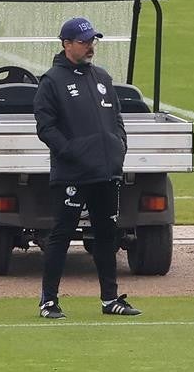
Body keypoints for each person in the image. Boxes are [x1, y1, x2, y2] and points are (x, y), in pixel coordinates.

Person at [33, 16, 141, 320]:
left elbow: (116, 120)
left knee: (107, 235)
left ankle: (110, 299)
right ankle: (49, 301)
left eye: (92, 40)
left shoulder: (102, 78)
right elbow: (45, 127)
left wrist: (119, 146)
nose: (90, 46)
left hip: (106, 173)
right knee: (62, 235)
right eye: (84, 41)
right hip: (73, 173)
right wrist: (71, 152)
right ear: (67, 44)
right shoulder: (52, 81)